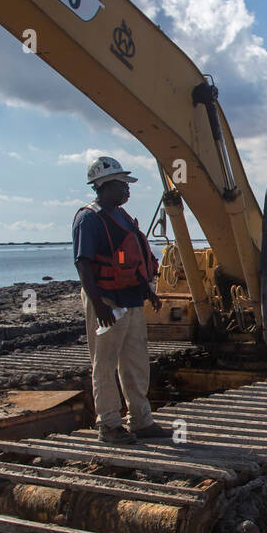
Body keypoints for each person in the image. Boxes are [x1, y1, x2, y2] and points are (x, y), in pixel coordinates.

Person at [73, 156, 168, 444]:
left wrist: (148, 291)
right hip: (108, 302)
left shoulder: (122, 217)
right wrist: (99, 305)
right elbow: (83, 264)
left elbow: (130, 260)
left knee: (136, 362)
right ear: (104, 185)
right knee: (104, 363)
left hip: (131, 299)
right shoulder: (89, 218)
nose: (128, 190)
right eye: (122, 185)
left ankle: (140, 420)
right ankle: (109, 425)